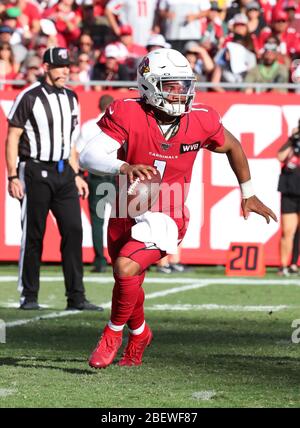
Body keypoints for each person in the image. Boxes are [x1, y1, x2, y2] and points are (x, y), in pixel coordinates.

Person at [80, 48, 277, 368]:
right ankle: (140, 333)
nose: (180, 92)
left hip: (167, 213)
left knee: (126, 268)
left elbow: (232, 145)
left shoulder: (200, 118)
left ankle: (112, 333)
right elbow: (90, 155)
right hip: (124, 207)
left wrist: (248, 192)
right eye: (170, 84)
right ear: (149, 85)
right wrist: (123, 167)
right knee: (128, 280)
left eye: (183, 84)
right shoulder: (127, 112)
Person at [5, 47, 101, 312]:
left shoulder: (71, 98)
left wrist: (77, 174)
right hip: (34, 170)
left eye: (67, 66)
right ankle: (29, 295)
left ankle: (76, 296)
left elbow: (70, 142)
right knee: (34, 234)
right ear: (46, 67)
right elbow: (12, 136)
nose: (65, 71)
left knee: (73, 230)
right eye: (60, 66)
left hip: (64, 173)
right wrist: (12, 175)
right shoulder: (29, 96)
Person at [76, 94, 115, 273]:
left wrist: (80, 175)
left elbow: (78, 153)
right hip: (116, 175)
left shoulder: (89, 126)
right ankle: (123, 258)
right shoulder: (118, 123)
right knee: (122, 219)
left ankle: (100, 260)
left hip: (96, 176)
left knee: (98, 221)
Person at [277, 124, 300, 276]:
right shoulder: (293, 142)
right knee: (288, 231)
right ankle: (284, 265)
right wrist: (292, 139)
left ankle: (294, 264)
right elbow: (280, 156)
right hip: (290, 191)